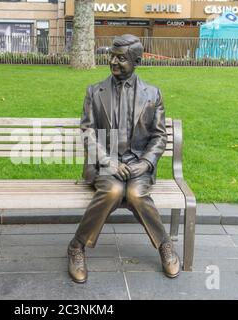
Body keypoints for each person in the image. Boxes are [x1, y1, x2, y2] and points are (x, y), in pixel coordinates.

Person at [67, 34, 180, 283]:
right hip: (107, 164)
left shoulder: (153, 94)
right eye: (112, 56)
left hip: (138, 164)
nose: (113, 62)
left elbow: (159, 136)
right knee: (113, 192)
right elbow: (87, 132)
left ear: (136, 61)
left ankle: (164, 244)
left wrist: (146, 163)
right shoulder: (95, 91)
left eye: (121, 58)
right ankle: (77, 246)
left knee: (137, 194)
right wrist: (109, 161)